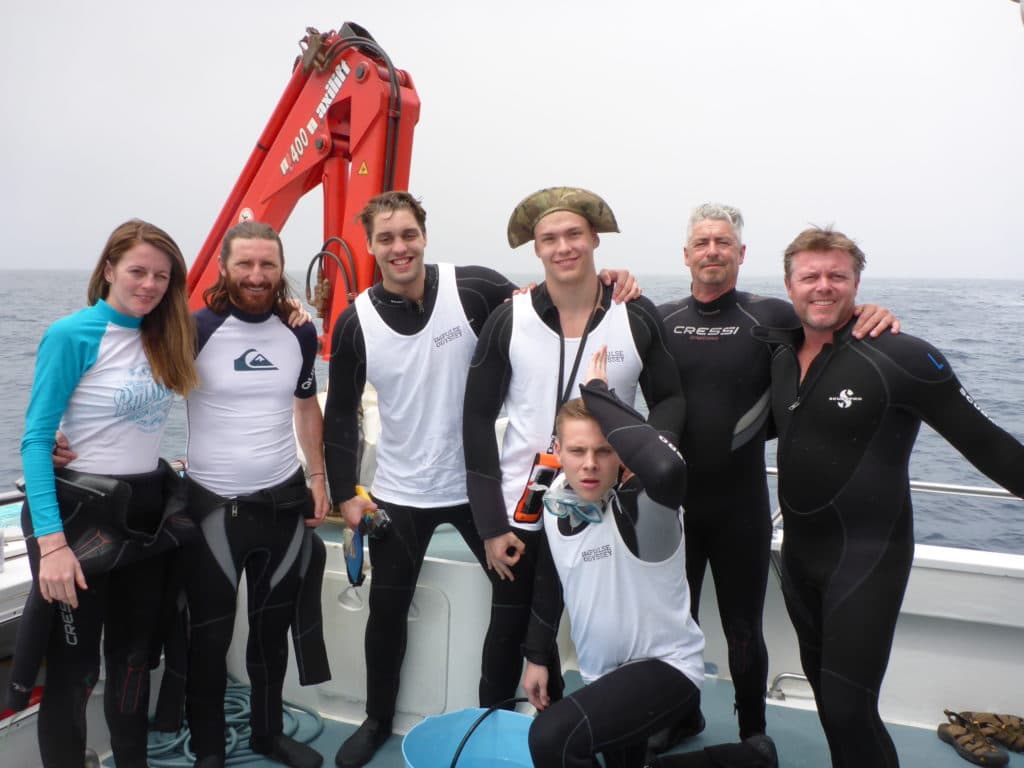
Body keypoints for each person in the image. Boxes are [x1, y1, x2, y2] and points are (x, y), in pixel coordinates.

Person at [322, 190, 636, 768]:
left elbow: (550, 301)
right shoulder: (355, 322)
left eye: (409, 234)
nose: (399, 247)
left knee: (516, 606)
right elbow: (339, 412)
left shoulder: (475, 288)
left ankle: (530, 710)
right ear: (370, 246)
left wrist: (613, 283)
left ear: (424, 235)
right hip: (400, 491)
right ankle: (376, 718)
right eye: (386, 238)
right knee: (387, 616)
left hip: (479, 488)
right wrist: (345, 492)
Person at [751, 226, 1024, 766]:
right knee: (830, 703)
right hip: (800, 556)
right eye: (810, 276)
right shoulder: (781, 356)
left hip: (868, 558)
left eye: (838, 276)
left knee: (850, 706)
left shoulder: (903, 356)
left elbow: (994, 448)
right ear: (789, 285)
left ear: (857, 284)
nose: (823, 287)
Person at [655, 204, 897, 745]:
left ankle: (753, 735)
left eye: (723, 242)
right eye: (702, 242)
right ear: (687, 254)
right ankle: (680, 716)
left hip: (740, 505)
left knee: (744, 629)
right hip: (673, 504)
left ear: (741, 254)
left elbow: (829, 319)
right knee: (674, 625)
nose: (712, 251)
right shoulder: (660, 319)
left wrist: (872, 311)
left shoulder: (772, 318)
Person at [463, 187, 685, 717]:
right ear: (535, 249)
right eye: (549, 238)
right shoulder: (508, 318)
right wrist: (492, 526)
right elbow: (473, 419)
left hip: (606, 497)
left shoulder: (634, 312)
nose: (563, 247)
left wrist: (642, 455)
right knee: (508, 632)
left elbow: (672, 398)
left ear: (594, 240)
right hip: (526, 506)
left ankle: (609, 729)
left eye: (573, 235)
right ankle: (495, 729)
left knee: (619, 629)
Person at [522, 348, 777, 768]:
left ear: (622, 454)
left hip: (665, 670)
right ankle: (751, 759)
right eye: (578, 451)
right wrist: (536, 657)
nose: (589, 465)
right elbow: (552, 583)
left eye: (604, 451)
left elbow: (666, 467)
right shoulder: (554, 503)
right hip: (604, 677)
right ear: (558, 451)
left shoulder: (645, 508)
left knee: (551, 738)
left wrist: (599, 394)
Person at [17, 219, 199, 768]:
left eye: (161, 277)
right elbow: (35, 439)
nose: (148, 285)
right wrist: (52, 546)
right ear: (109, 270)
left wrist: (291, 312)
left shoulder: (170, 334)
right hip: (77, 519)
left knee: (133, 660)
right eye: (137, 271)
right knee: (74, 669)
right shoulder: (72, 334)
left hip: (142, 515)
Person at [182, 221, 330, 768]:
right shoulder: (194, 329)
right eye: (244, 264)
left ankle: (267, 734)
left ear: (281, 267)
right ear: (224, 266)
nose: (256, 275)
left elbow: (306, 404)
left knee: (271, 634)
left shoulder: (299, 332)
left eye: (267, 264)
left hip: (281, 505)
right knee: (209, 636)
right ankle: (209, 748)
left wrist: (318, 477)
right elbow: (139, 394)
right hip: (214, 508)